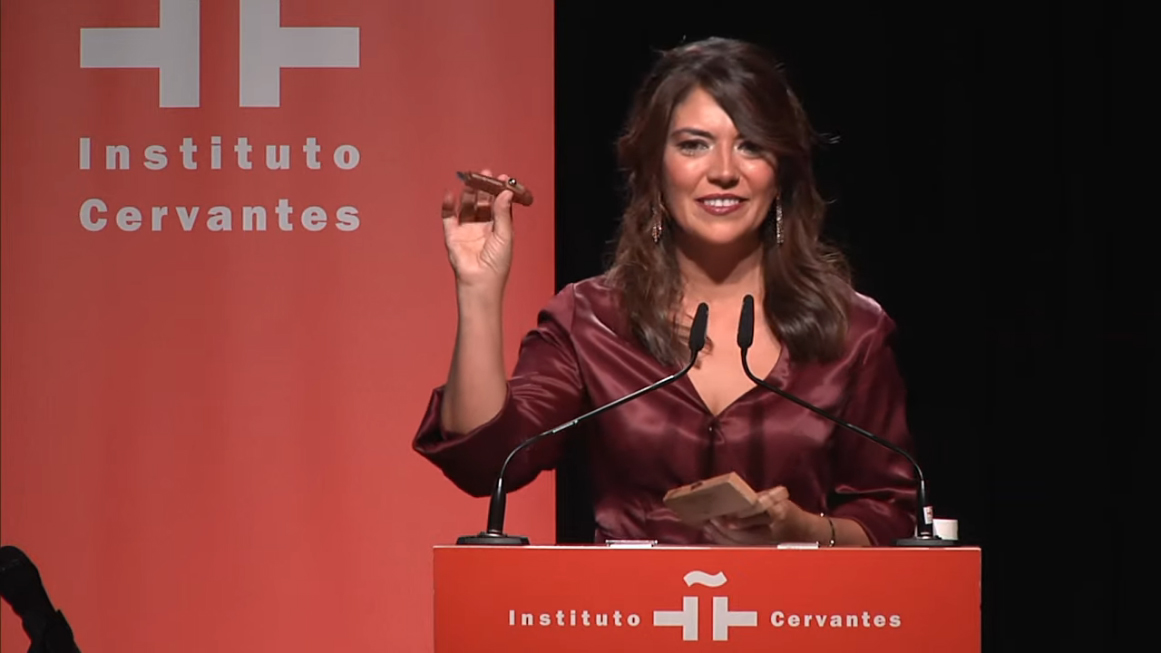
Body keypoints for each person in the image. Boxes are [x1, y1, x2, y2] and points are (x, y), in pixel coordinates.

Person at [412, 37, 918, 547]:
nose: (724, 171)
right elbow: (487, 462)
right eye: (694, 145)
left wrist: (804, 532)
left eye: (751, 145)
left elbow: (892, 516)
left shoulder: (853, 331)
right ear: (655, 168)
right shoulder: (592, 320)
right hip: (627, 599)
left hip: (797, 599)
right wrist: (478, 291)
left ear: (781, 171)